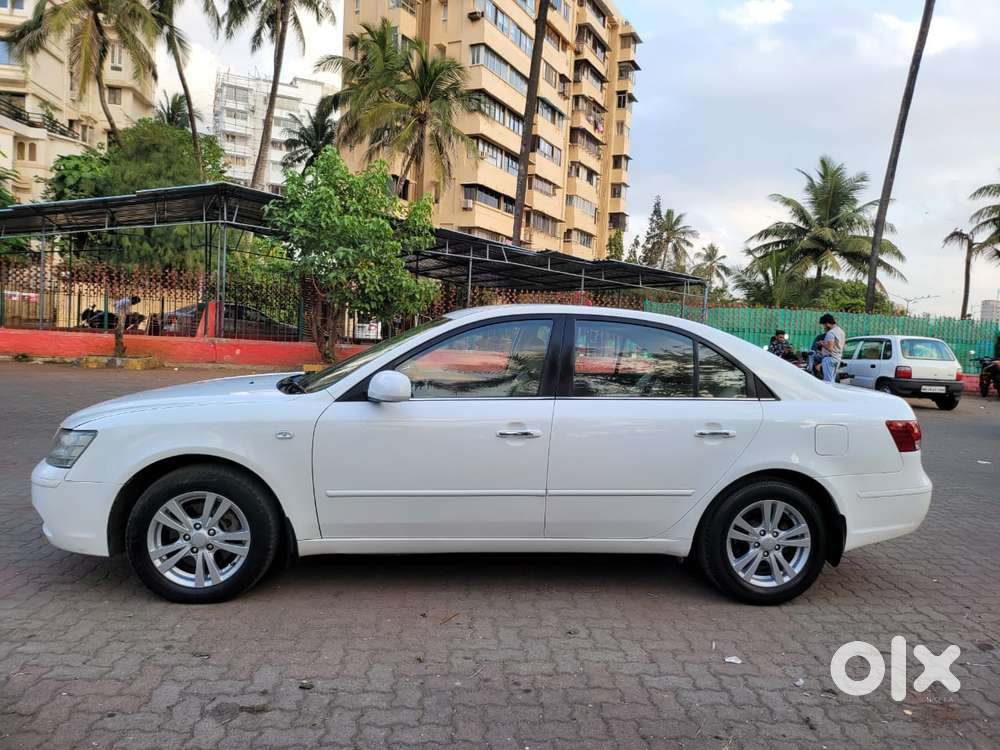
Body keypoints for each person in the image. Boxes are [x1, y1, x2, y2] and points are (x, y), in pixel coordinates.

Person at [819, 313, 846, 383]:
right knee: (832, 381)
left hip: (829, 358)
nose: (824, 327)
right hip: (837, 358)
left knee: (828, 382)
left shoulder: (831, 333)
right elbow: (840, 346)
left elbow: (830, 348)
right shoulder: (841, 331)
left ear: (827, 323)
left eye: (824, 325)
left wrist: (822, 344)